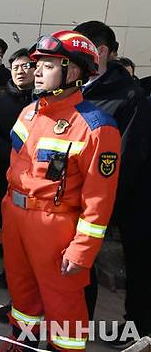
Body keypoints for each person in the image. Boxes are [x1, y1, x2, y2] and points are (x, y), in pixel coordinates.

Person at [0, 31, 121, 352]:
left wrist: (82, 250)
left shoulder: (96, 127)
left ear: (74, 71)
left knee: (63, 304)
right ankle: (22, 344)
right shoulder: (29, 112)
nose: (36, 70)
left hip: (55, 227)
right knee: (22, 292)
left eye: (48, 64)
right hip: (15, 217)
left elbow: (99, 200)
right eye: (37, 63)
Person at [75, 21, 151, 345]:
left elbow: (127, 160)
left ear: (101, 51)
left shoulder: (128, 96)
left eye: (80, 50)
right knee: (80, 269)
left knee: (140, 270)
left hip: (125, 202)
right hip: (79, 198)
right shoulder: (75, 90)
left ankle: (139, 332)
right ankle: (77, 327)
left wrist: (102, 208)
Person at [0, 48, 35, 317]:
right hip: (9, 174)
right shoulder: (1, 102)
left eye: (26, 66)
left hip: (40, 185)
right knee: (9, 227)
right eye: (15, 67)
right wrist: (10, 155)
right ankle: (10, 271)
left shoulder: (44, 101)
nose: (20, 71)